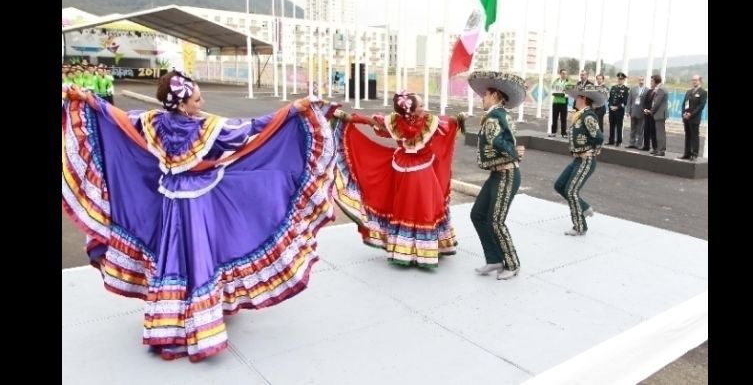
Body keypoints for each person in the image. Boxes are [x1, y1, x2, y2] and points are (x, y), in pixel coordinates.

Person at [62, 70, 337, 362]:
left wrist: (88, 99)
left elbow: (116, 117)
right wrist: (292, 109)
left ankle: (169, 325)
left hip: (169, 199)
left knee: (174, 256)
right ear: (181, 105)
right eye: (196, 98)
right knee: (200, 255)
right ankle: (201, 325)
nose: (201, 101)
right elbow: (254, 127)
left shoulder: (152, 121)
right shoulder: (208, 128)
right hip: (198, 202)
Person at [332, 90, 461, 268]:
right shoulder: (430, 123)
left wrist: (348, 117)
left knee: (406, 206)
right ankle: (427, 250)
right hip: (422, 171)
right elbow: (446, 124)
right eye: (421, 106)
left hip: (402, 170)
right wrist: (456, 120)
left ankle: (405, 250)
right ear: (411, 111)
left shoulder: (395, 123)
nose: (425, 109)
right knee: (425, 206)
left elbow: (371, 121)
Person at [467, 71, 527, 280]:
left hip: (506, 174)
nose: (481, 98)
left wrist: (514, 154)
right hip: (497, 174)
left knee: (496, 221)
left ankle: (512, 264)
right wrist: (514, 151)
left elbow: (497, 141)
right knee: (478, 215)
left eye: (484, 94)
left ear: (493, 95)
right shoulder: (500, 114)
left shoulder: (494, 115)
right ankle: (493, 259)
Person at [554, 82, 607, 236]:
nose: (575, 100)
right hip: (577, 159)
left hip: (585, 160)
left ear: (583, 98)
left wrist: (591, 151)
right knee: (560, 185)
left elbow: (599, 137)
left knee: (571, 191)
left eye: (577, 97)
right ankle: (583, 207)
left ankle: (580, 226)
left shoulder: (588, 115)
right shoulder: (580, 115)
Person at [679, 74, 708, 161]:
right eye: (693, 80)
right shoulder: (688, 91)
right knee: (687, 135)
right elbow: (684, 103)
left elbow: (701, 106)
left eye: (696, 80)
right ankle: (687, 153)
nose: (694, 81)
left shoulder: (703, 92)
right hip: (686, 118)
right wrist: (684, 113)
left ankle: (694, 154)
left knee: (694, 136)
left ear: (700, 81)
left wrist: (691, 114)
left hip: (694, 118)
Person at [644, 74, 668, 156]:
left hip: (660, 114)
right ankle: (658, 149)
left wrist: (650, 111)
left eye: (652, 81)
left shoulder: (661, 89)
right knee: (658, 132)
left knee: (660, 133)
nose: (651, 82)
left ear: (655, 81)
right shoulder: (660, 88)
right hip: (658, 114)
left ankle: (661, 150)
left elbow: (657, 103)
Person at [607, 72, 630, 146]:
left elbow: (625, 102)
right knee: (611, 125)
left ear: (624, 80)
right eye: (619, 79)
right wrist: (610, 106)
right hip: (612, 110)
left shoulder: (626, 89)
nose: (620, 80)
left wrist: (617, 107)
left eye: (621, 79)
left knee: (619, 126)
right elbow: (610, 99)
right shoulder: (613, 88)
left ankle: (619, 141)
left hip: (619, 111)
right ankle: (611, 140)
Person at [625, 76, 647, 149]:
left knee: (640, 130)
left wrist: (646, 110)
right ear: (638, 81)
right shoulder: (633, 89)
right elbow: (629, 100)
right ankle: (631, 143)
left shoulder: (647, 90)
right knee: (632, 129)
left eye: (642, 80)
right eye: (640, 80)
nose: (641, 81)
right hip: (633, 111)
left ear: (644, 81)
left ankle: (639, 144)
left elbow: (648, 102)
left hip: (642, 112)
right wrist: (627, 111)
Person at [550, 69, 570, 137]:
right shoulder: (556, 81)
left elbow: (569, 92)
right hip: (555, 102)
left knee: (563, 119)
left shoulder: (568, 82)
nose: (564, 75)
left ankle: (563, 133)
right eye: (563, 73)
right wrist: (554, 93)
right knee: (554, 118)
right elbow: (552, 89)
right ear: (560, 74)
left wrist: (563, 95)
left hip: (563, 103)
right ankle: (553, 132)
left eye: (565, 74)